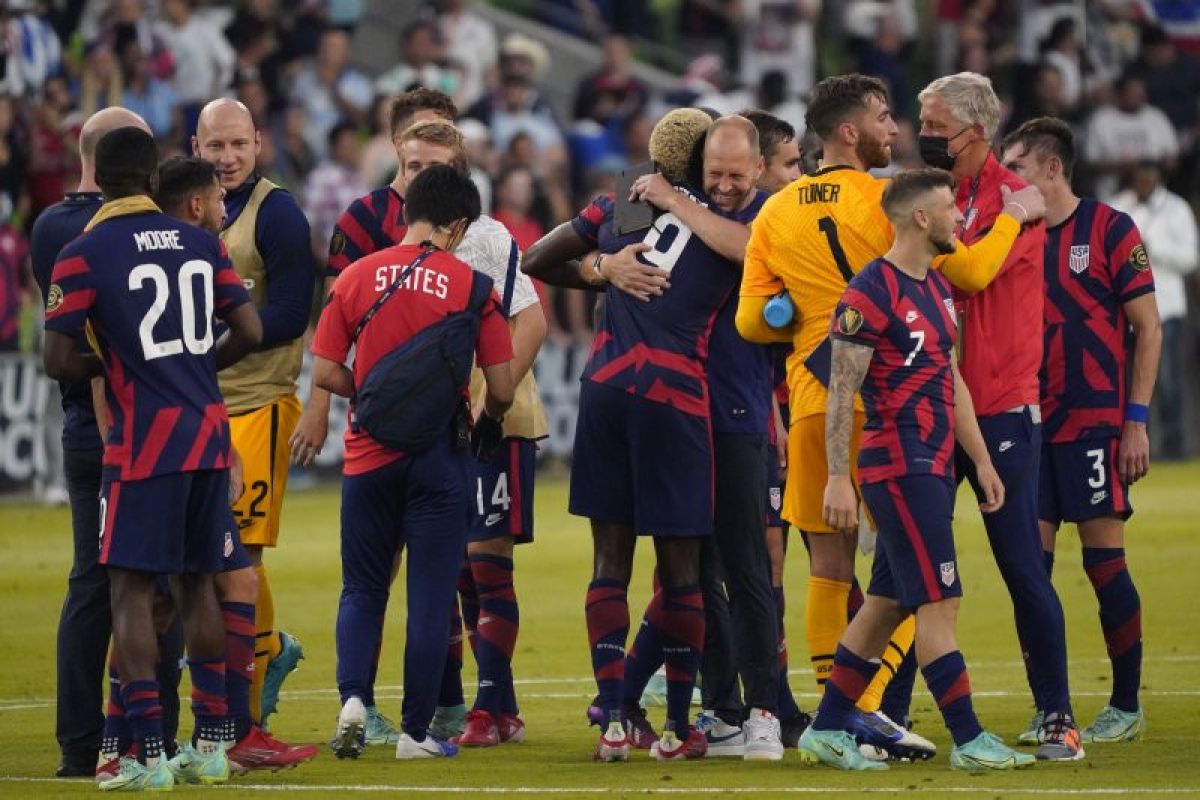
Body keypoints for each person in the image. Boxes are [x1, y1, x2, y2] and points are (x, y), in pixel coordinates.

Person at [737, 74, 1038, 759]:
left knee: (842, 572)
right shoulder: (889, 204)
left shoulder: (777, 211)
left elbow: (753, 319)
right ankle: (896, 721)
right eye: (882, 116)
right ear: (850, 131)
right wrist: (1016, 217)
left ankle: (838, 719)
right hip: (878, 414)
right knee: (923, 586)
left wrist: (795, 315)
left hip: (813, 398)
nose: (896, 130)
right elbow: (975, 272)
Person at [522, 109, 755, 762]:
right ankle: (679, 728)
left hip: (606, 386)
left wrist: (601, 267)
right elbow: (748, 253)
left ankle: (615, 724)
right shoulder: (732, 216)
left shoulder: (623, 201)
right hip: (676, 396)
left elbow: (537, 259)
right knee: (680, 571)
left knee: (610, 564)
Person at [42, 125, 263, 790]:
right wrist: (193, 365)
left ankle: (145, 754)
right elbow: (249, 330)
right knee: (200, 583)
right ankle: (214, 745)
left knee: (130, 589)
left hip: (143, 443)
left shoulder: (83, 252)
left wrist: (119, 362)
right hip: (208, 434)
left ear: (97, 178)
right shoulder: (202, 242)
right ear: (149, 178)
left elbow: (56, 359)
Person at [800, 167, 1034, 773]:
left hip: (932, 460)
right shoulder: (868, 292)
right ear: (920, 218)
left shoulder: (933, 287)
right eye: (950, 208)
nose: (960, 216)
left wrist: (980, 458)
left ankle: (825, 729)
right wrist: (835, 477)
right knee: (940, 602)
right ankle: (970, 739)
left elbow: (949, 378)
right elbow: (843, 387)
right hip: (898, 464)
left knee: (886, 602)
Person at [315, 164, 515, 760]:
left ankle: (353, 699)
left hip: (368, 457)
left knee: (361, 587)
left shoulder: (354, 277)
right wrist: (486, 418)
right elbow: (501, 385)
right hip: (439, 461)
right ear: (456, 226)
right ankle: (417, 732)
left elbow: (325, 371)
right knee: (429, 596)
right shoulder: (472, 286)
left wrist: (378, 393)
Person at [917, 72, 1079, 759]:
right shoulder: (944, 197)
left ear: (974, 133)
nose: (923, 136)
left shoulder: (1018, 199)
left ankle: (1058, 719)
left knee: (1020, 566)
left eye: (934, 126)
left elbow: (970, 274)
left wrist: (922, 231)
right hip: (938, 401)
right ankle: (879, 715)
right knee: (904, 572)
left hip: (1003, 407)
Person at [30, 107, 184, 779]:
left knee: (92, 580)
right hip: (137, 428)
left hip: (83, 431)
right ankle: (159, 734)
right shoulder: (117, 231)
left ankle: (80, 743)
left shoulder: (51, 229)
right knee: (162, 579)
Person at [1001, 118, 1161, 744]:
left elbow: (1148, 328)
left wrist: (1137, 422)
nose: (1005, 178)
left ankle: (1124, 706)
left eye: (1014, 166)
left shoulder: (1111, 229)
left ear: (1050, 168)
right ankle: (1052, 709)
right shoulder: (1011, 236)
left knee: (1104, 565)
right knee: (1028, 573)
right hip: (1030, 426)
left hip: (1096, 422)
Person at [193, 98, 316, 731]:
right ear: (195, 146)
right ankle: (261, 657)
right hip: (199, 404)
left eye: (238, 144)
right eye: (216, 146)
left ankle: (256, 674)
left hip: (258, 401)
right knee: (206, 555)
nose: (228, 157)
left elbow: (294, 311)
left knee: (240, 553)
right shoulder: (186, 206)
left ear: (259, 143)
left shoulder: (280, 213)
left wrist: (207, 347)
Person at [1110, 160, 1197, 461]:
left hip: (1167, 308)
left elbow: (1190, 258)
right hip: (1124, 314)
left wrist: (1152, 249)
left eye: (1149, 177)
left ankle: (1173, 448)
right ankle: (1130, 447)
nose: (1144, 182)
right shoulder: (1118, 207)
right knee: (1126, 382)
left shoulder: (1177, 209)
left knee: (1170, 382)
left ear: (1158, 178)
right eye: (1139, 176)